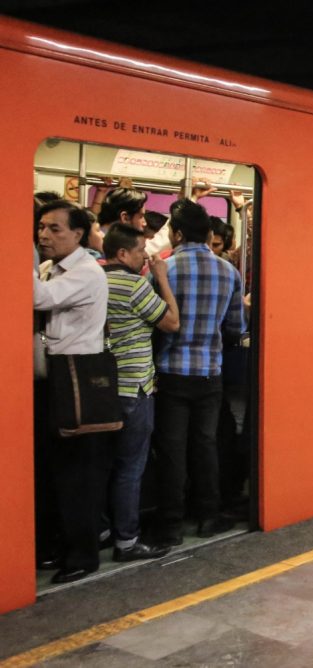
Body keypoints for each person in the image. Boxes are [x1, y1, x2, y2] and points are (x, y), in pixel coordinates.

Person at [152, 199, 246, 546]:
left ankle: (170, 525)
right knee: (206, 444)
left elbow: (155, 322)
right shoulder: (229, 272)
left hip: (171, 370)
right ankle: (208, 515)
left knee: (172, 448)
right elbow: (236, 326)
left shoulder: (165, 269)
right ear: (209, 233)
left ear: (176, 233)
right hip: (210, 372)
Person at [32, 200, 110, 584]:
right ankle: (54, 546)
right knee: (50, 470)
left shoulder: (87, 273)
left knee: (75, 474)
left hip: (75, 378)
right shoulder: (49, 269)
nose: (44, 235)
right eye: (41, 228)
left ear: (78, 234)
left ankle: (83, 555)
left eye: (54, 229)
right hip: (51, 380)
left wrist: (19, 253)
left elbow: (39, 299)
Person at [101, 224, 180, 562]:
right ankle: (127, 540)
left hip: (103, 387)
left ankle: (103, 529)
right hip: (134, 385)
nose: (144, 259)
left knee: (104, 464)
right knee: (131, 467)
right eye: (140, 253)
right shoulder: (134, 285)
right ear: (122, 254)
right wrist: (161, 277)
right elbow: (171, 322)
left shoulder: (96, 280)